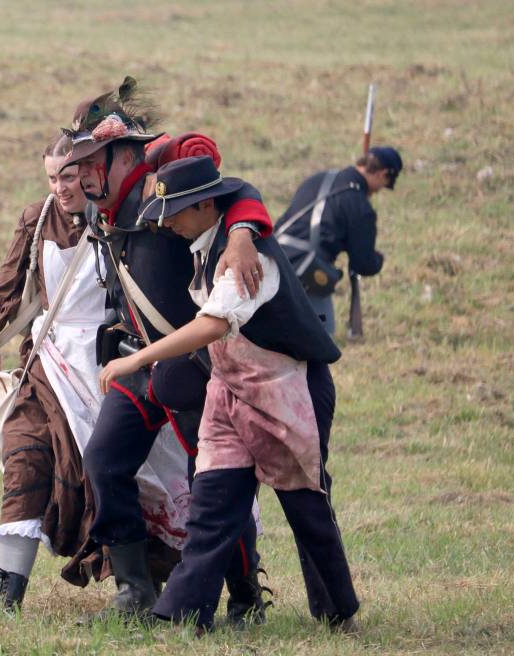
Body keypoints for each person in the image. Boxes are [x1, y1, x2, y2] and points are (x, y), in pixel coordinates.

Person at [100, 155, 359, 633]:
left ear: (203, 207)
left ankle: (337, 612)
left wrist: (137, 359)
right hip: (230, 392)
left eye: (175, 211)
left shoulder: (247, 257)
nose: (167, 223)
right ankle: (184, 614)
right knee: (212, 505)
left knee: (305, 507)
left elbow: (214, 323)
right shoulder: (208, 242)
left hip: (289, 389)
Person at [58, 79, 274, 623]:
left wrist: (244, 233)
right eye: (76, 162)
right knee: (104, 462)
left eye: (90, 161)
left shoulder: (167, 184)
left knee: (213, 486)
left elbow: (237, 190)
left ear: (124, 155)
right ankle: (135, 588)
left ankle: (247, 595)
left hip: (194, 366)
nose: (81, 174)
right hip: (138, 360)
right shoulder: (95, 208)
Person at [0, 135, 191, 614]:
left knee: (113, 473)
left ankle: (145, 584)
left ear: (90, 173)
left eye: (68, 176)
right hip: (47, 359)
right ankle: (7, 597)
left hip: (106, 361)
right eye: (52, 177)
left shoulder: (116, 215)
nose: (61, 187)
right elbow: (10, 276)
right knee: (24, 458)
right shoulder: (37, 216)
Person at [275, 146, 402, 334]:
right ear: (383, 174)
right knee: (322, 340)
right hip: (307, 275)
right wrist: (379, 260)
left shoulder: (317, 179)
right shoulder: (360, 206)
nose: (379, 191)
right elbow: (364, 264)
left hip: (273, 259)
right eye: (385, 184)